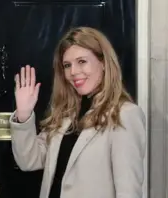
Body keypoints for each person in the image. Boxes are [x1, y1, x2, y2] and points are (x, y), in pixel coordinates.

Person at [10, 27, 146, 198]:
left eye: (82, 61)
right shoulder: (66, 115)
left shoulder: (124, 114)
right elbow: (28, 162)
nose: (73, 72)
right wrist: (23, 115)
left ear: (103, 63)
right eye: (67, 65)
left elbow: (128, 191)